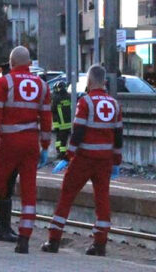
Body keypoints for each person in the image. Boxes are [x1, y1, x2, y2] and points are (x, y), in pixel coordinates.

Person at [0, 46, 52, 255]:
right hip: (31, 143)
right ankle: (23, 241)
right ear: (29, 64)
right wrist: (45, 146)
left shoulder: (5, 82)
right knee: (29, 191)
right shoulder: (42, 86)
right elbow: (46, 119)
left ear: (12, 63)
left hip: (8, 142)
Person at [41, 64, 123, 257]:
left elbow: (78, 132)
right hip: (104, 160)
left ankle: (54, 240)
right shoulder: (114, 104)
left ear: (89, 81)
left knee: (67, 196)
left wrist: (67, 157)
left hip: (84, 159)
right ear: (104, 82)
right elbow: (118, 136)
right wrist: (117, 162)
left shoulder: (85, 102)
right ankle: (100, 244)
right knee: (102, 199)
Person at [0, 61, 19, 244]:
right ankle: (2, 228)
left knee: (6, 186)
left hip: (4, 142)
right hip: (6, 143)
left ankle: (3, 226)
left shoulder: (3, 88)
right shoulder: (8, 88)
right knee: (5, 186)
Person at [51, 81, 72, 161]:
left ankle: (60, 153)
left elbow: (53, 110)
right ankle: (61, 153)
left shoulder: (56, 97)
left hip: (60, 122)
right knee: (64, 139)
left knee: (59, 138)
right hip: (68, 122)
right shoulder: (69, 96)